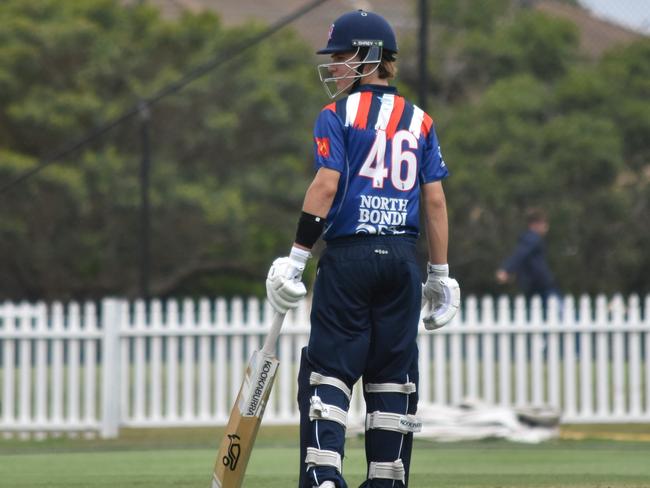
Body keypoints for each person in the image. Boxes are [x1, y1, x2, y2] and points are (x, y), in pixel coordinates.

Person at [265, 10, 460, 488]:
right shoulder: (420, 119)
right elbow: (434, 200)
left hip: (349, 257)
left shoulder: (337, 116)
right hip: (401, 261)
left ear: (368, 56)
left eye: (340, 55)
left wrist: (295, 259)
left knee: (328, 370)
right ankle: (387, 480)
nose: (332, 66)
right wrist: (440, 274)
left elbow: (326, 185)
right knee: (392, 376)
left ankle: (324, 475)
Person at [496, 208, 560, 303]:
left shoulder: (529, 239)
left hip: (534, 286)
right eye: (543, 223)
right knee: (561, 313)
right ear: (535, 224)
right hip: (541, 285)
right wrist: (506, 270)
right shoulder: (532, 239)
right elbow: (520, 255)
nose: (546, 227)